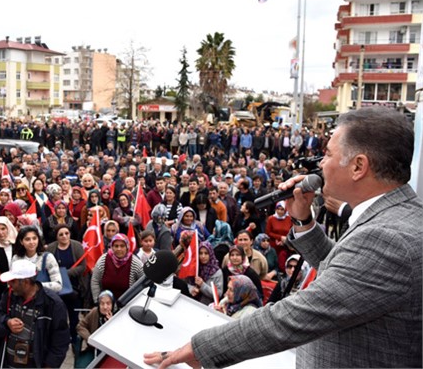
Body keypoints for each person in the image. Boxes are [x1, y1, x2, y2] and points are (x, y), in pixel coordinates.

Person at [145, 108, 422, 368]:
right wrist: (303, 221)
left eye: (327, 155)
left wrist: (201, 348)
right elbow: (342, 271)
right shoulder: (395, 218)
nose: (321, 165)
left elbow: (294, 315)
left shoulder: (387, 239)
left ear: (358, 167)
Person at [0, 259, 70, 368]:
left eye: (13, 281)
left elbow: (60, 341)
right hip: (9, 364)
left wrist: (49, 366)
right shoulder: (9, 296)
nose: (9, 284)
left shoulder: (53, 304)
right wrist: (7, 322)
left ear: (25, 282)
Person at [90, 233, 144, 301]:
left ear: (127, 247)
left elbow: (144, 281)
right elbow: (95, 280)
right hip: (106, 304)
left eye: (122, 246)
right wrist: (98, 301)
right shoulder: (103, 260)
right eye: (116, 246)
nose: (119, 249)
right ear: (112, 247)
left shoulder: (135, 263)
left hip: (127, 304)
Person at [11, 225, 63, 293]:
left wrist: (35, 286)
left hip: (44, 299)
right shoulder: (16, 259)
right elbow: (11, 284)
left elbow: (58, 285)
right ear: (21, 242)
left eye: (34, 238)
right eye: (27, 239)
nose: (32, 242)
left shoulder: (47, 258)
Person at [188, 240, 223, 306]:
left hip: (206, 307)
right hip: (192, 303)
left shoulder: (217, 272)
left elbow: (218, 294)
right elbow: (187, 283)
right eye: (200, 253)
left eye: (206, 253)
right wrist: (191, 289)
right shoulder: (195, 267)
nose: (203, 256)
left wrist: (202, 285)